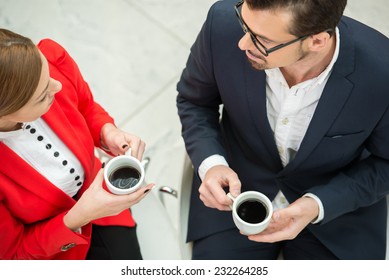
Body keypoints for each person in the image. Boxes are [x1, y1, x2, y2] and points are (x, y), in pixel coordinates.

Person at [176, 0, 389, 260]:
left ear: (317, 41)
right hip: (236, 198)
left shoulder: (382, 74)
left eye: (262, 40)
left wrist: (317, 205)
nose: (243, 43)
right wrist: (212, 164)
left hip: (337, 213)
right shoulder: (221, 24)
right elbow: (195, 102)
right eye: (244, 24)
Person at [0, 28, 154, 260]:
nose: (57, 87)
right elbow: (14, 256)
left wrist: (106, 131)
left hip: (104, 204)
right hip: (52, 248)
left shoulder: (51, 58)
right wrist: (78, 217)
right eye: (42, 96)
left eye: (49, 76)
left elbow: (84, 106)